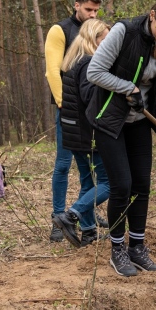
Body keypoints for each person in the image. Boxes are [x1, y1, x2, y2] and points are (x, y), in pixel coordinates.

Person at [86, 0, 156, 277]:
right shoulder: (124, 32)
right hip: (110, 120)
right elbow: (95, 72)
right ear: (152, 15)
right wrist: (126, 88)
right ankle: (117, 249)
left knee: (141, 185)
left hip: (141, 121)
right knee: (122, 185)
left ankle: (137, 247)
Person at [44, 0, 102, 242]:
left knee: (87, 168)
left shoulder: (96, 31)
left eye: (97, 11)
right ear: (76, 5)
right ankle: (58, 218)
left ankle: (84, 213)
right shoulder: (60, 30)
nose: (92, 14)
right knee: (63, 164)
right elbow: (52, 71)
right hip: (68, 110)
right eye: (88, 9)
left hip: (89, 111)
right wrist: (62, 104)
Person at [52, 19, 111, 248]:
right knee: (109, 183)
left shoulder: (73, 61)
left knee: (87, 182)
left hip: (73, 135)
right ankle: (70, 215)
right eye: (104, 39)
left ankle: (88, 232)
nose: (107, 44)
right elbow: (91, 101)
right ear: (92, 39)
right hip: (88, 136)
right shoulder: (88, 63)